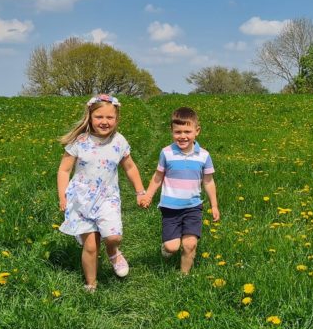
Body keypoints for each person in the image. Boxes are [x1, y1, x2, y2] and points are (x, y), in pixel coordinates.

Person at [57, 94, 147, 291]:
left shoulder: (119, 141)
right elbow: (64, 170)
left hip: (108, 198)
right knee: (90, 246)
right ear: (90, 116)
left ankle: (113, 252)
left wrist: (140, 192)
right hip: (81, 200)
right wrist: (62, 196)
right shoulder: (79, 141)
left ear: (117, 119)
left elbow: (130, 167)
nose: (104, 122)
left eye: (109, 117)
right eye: (99, 117)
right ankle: (91, 284)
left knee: (113, 236)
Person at [141, 107, 219, 275]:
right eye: (178, 132)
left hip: (193, 206)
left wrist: (214, 205)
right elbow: (158, 176)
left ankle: (183, 276)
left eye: (187, 131)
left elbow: (209, 181)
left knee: (190, 244)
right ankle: (167, 247)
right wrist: (148, 195)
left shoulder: (204, 156)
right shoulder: (166, 153)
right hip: (170, 207)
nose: (182, 136)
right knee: (172, 246)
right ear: (171, 131)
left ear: (197, 131)